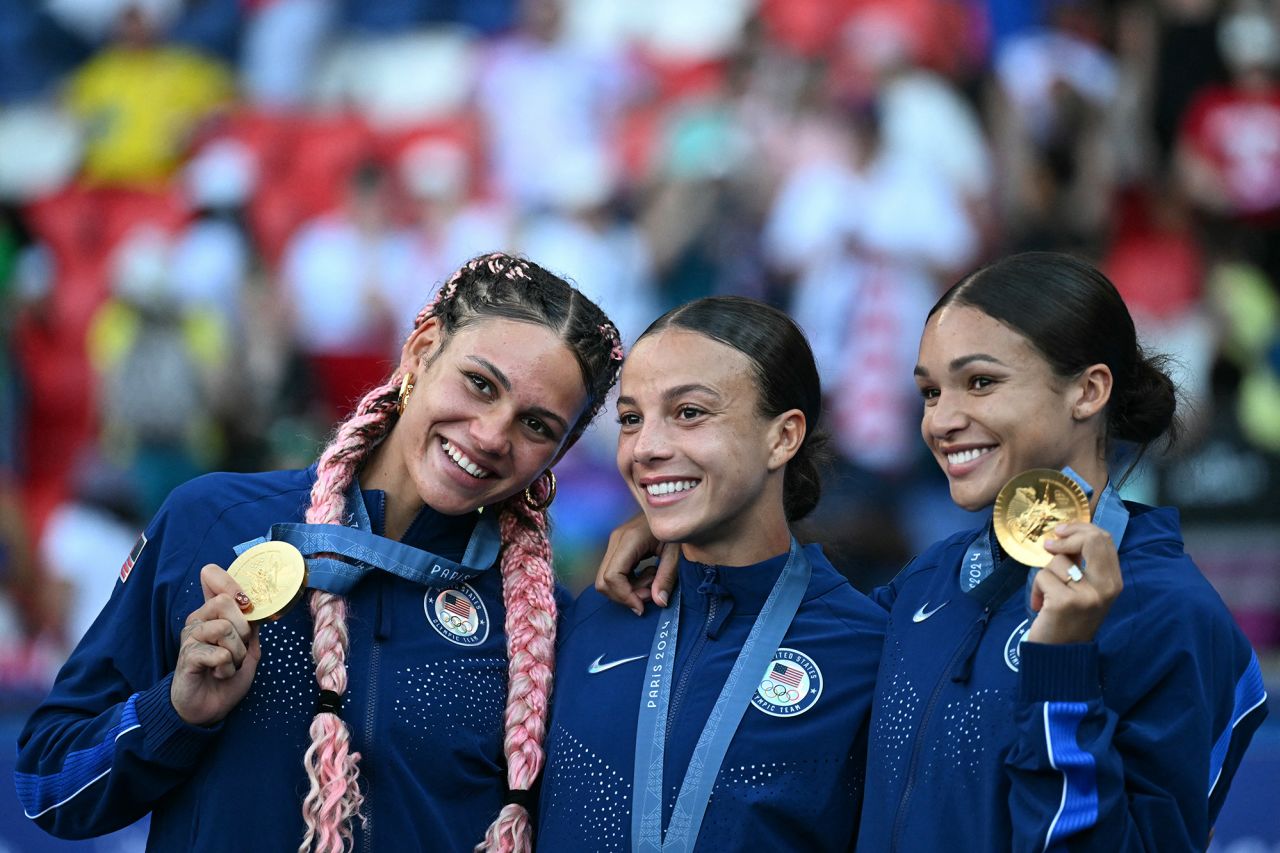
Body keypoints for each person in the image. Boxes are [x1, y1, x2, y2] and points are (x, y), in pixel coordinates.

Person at [596, 253, 1267, 851]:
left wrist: (1061, 667)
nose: (941, 420)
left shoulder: (1169, 609)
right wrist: (688, 527)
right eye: (930, 390)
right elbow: (798, 628)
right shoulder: (929, 582)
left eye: (980, 383)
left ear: (1088, 390)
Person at [15, 252, 624, 853]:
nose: (492, 435)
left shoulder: (542, 633)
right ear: (421, 349)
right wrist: (176, 712)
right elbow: (48, 786)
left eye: (537, 426)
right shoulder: (213, 521)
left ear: (561, 452)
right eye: (480, 383)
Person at [538, 296, 886, 850]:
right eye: (631, 418)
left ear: (783, 437)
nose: (646, 447)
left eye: (689, 413)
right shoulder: (593, 622)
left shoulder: (866, 652)